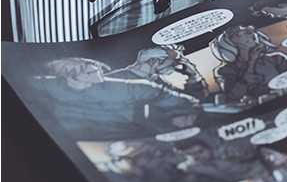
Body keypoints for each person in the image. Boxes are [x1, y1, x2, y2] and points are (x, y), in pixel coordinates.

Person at [34, 57, 200, 140]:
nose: (98, 73)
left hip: (133, 129)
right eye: (90, 72)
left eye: (97, 69)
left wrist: (188, 107)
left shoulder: (125, 86)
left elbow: (160, 94)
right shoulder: (52, 89)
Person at [210, 25, 287, 103]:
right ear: (226, 44)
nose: (248, 34)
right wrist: (251, 64)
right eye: (236, 34)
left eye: (247, 31)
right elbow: (234, 95)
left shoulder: (276, 58)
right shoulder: (224, 71)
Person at [108, 44, 209, 100]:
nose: (176, 66)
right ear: (153, 61)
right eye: (173, 62)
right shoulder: (115, 78)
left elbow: (193, 100)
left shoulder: (158, 81)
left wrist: (193, 76)